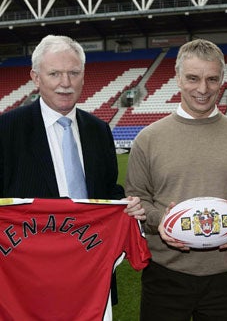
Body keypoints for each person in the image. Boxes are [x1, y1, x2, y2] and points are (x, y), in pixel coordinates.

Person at [125, 38, 227, 321]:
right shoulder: (148, 139)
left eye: (212, 79)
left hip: (226, 278)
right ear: (177, 78)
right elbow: (137, 200)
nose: (202, 89)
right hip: (165, 275)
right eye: (192, 78)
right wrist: (161, 221)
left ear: (222, 80)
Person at [0, 35, 145, 306]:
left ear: (83, 76)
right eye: (54, 73)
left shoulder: (99, 130)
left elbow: (106, 191)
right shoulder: (7, 130)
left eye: (73, 73)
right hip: (27, 281)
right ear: (35, 77)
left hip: (91, 273)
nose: (65, 83)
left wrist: (125, 204)